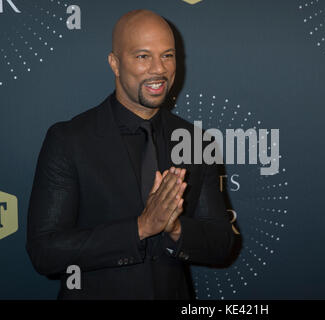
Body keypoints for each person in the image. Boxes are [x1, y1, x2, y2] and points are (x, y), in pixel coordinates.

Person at [26, 9, 235, 300]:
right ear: (115, 63)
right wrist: (140, 228)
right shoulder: (68, 140)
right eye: (142, 56)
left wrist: (175, 228)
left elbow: (222, 243)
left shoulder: (195, 141)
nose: (159, 69)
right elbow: (45, 251)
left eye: (167, 55)